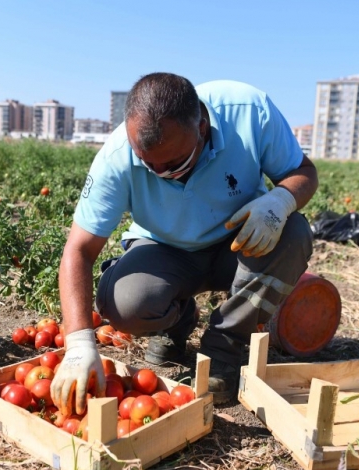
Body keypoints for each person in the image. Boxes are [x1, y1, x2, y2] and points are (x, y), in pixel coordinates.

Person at [51, 73, 317, 416]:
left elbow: (304, 172)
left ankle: (225, 344)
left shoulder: (249, 111)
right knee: (125, 303)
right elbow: (79, 250)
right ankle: (177, 321)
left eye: (173, 164)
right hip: (164, 248)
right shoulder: (116, 158)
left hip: (238, 245)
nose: (160, 172)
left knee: (294, 233)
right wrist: (78, 343)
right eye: (149, 164)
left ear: (202, 128)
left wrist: (281, 200)